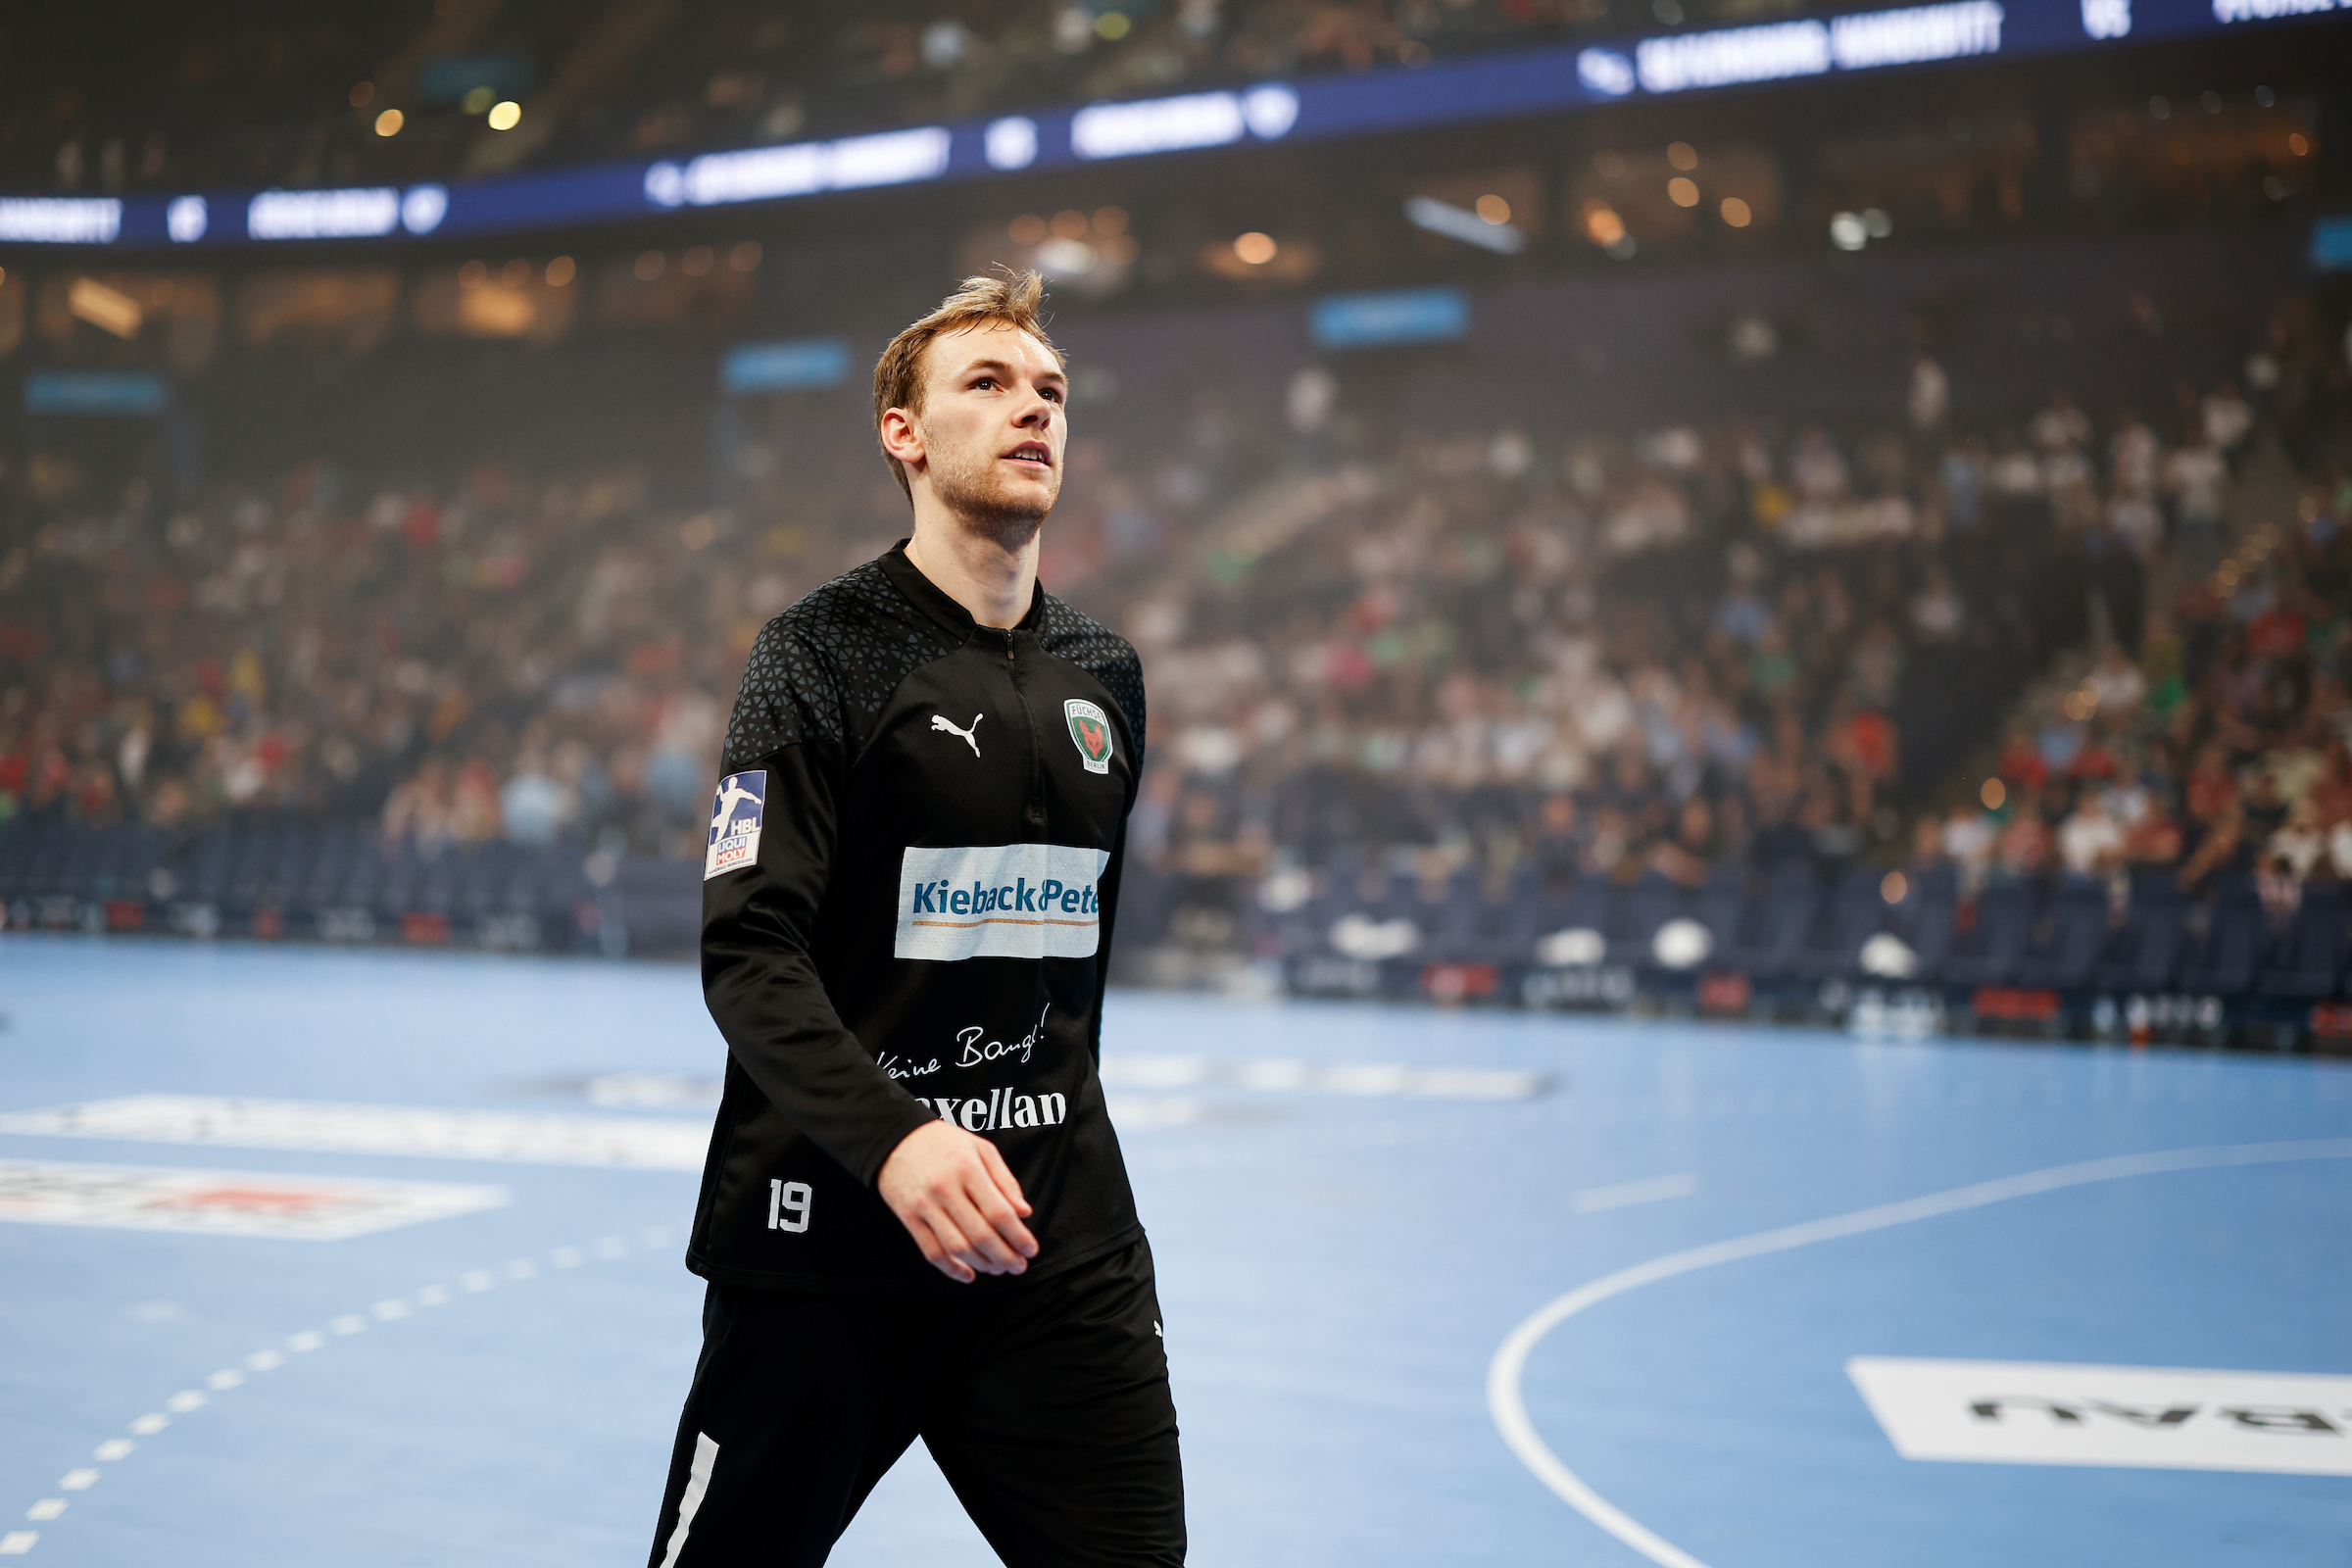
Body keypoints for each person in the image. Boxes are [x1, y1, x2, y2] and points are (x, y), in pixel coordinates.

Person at [647, 270, 1183, 1567]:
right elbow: (751, 954)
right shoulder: (817, 653)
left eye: (1050, 389)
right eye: (987, 384)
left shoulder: (1107, 675)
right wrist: (896, 1142)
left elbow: (1068, 978)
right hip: (828, 1245)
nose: (1032, 409)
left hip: (1054, 1248)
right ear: (905, 434)